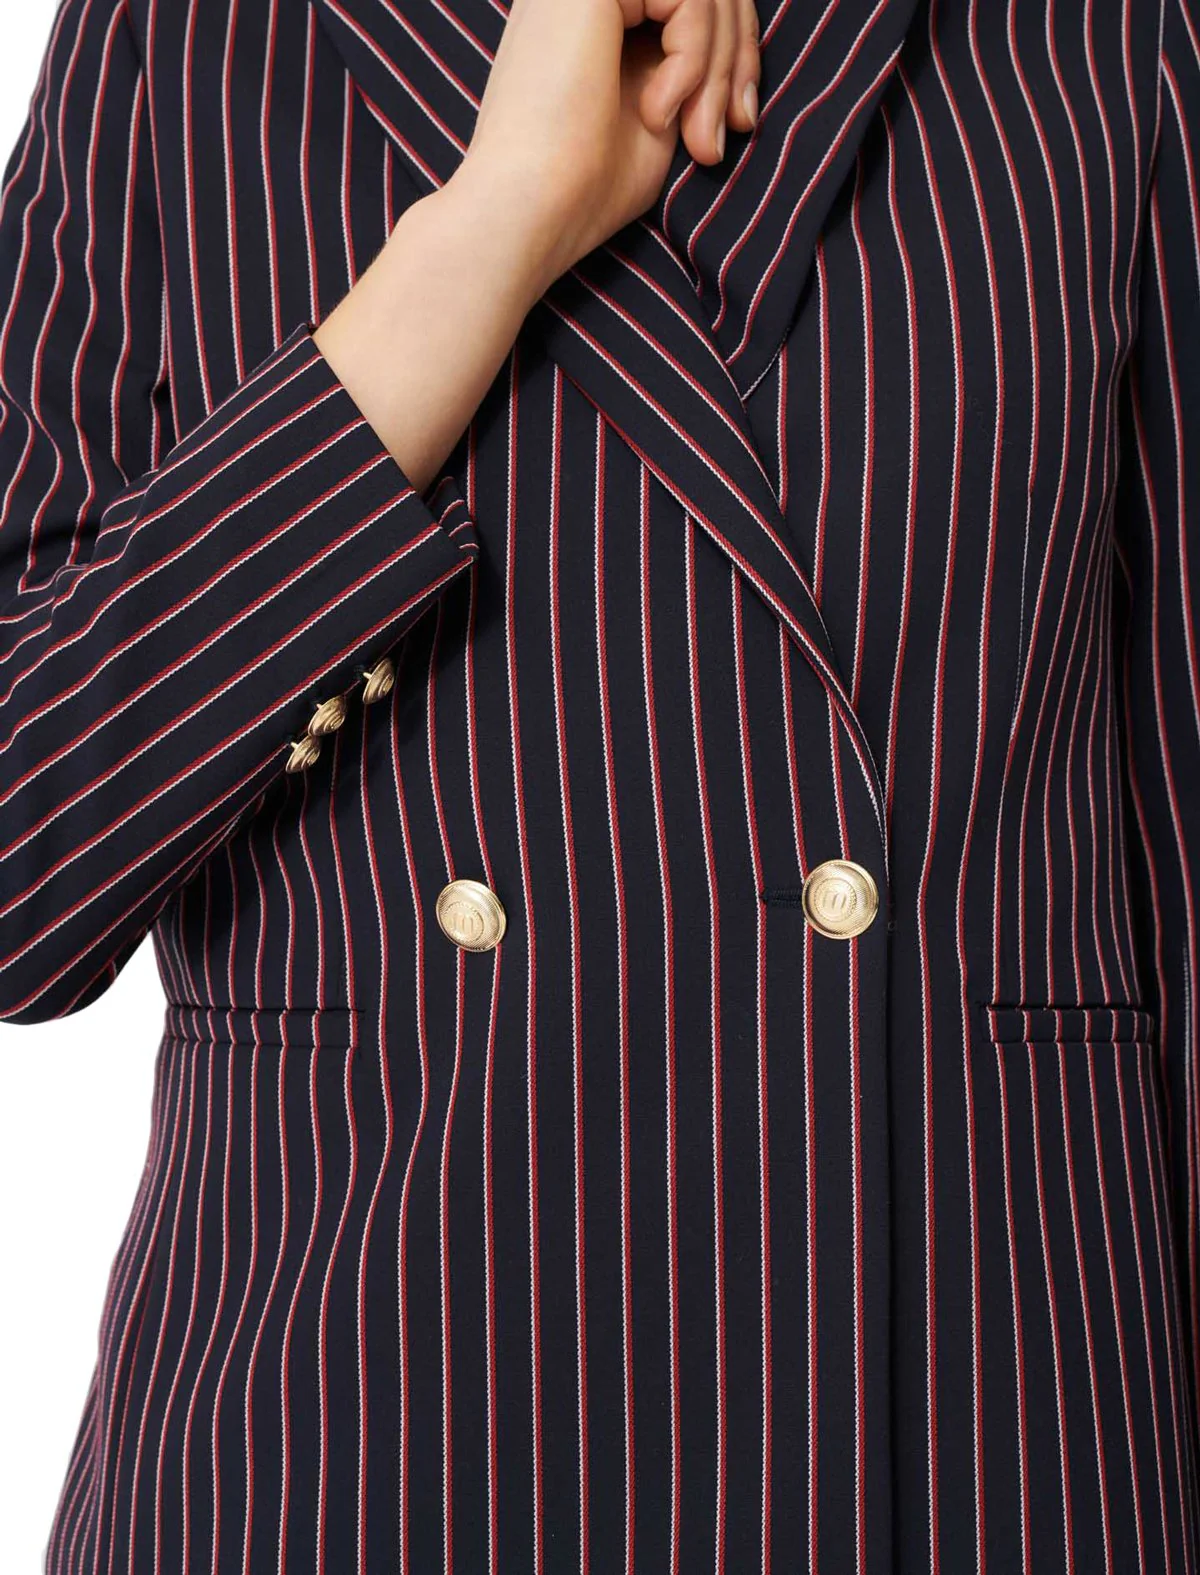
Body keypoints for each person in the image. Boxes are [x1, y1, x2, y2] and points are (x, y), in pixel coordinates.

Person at [2, 0, 1198, 1569]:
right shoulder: (194, 36)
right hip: (361, 1449)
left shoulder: (1108, 37)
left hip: (988, 1435)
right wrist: (487, 234)